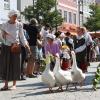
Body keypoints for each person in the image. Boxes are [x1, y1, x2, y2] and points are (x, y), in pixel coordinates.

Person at [0, 10, 31, 90]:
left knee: (16, 64)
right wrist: (3, 35)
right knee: (6, 64)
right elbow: (1, 37)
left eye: (16, 16)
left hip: (16, 46)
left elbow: (22, 36)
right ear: (10, 16)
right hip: (6, 46)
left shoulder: (19, 24)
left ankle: (14, 84)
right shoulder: (4, 25)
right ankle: (6, 84)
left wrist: (26, 45)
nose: (15, 17)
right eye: (14, 16)